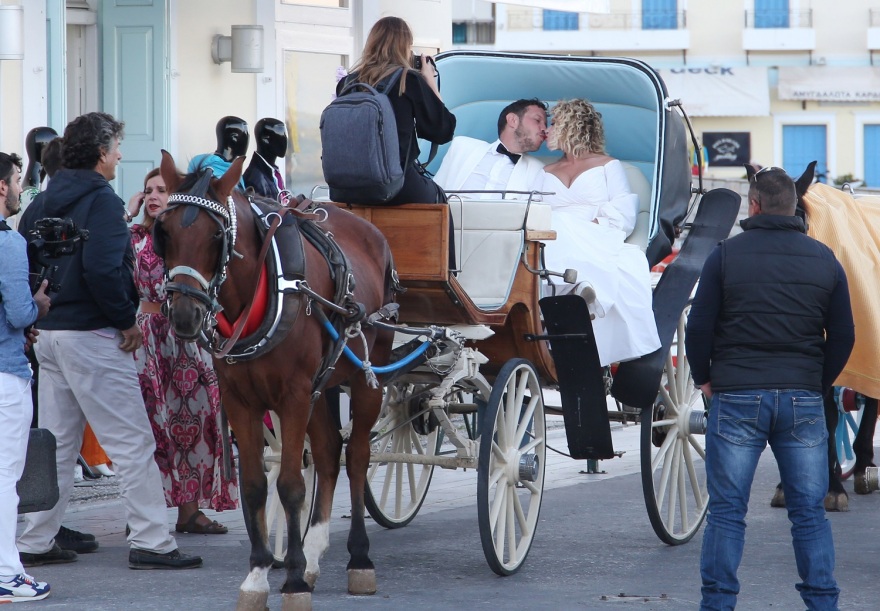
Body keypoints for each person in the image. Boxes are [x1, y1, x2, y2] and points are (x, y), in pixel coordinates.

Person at [15, 112, 202, 570]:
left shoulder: (41, 201)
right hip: (94, 335)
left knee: (57, 442)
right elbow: (103, 269)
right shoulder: (101, 201)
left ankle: (36, 540)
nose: (120, 155)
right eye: (117, 147)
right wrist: (126, 321)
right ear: (101, 153)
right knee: (133, 442)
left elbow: (25, 258)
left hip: (51, 334)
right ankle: (154, 542)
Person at [686, 165, 855, 609]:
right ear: (795, 207)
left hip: (737, 393)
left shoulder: (725, 255)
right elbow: (843, 336)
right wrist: (816, 384)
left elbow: (699, 324)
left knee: (727, 512)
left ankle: (718, 604)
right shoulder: (824, 259)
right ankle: (823, 602)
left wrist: (704, 377)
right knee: (809, 513)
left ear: (754, 205)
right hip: (801, 396)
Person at [124, 169, 238, 534]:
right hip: (148, 340)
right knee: (151, 427)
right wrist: (128, 216)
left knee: (194, 425)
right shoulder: (135, 237)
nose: (155, 195)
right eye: (148, 190)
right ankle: (143, 512)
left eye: (162, 190)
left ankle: (190, 510)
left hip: (187, 338)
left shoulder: (188, 238)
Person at [535, 98, 660, 366]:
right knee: (554, 227)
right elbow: (533, 209)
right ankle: (576, 289)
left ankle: (583, 290)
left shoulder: (607, 165)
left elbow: (624, 209)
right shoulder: (544, 171)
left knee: (563, 226)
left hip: (597, 232)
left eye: (554, 123)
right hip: (552, 235)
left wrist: (588, 224)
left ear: (574, 126)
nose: (547, 129)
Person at [0, 152, 52, 602]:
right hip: (6, 376)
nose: (20, 187)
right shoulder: (9, 243)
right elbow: (19, 312)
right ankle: (6, 573)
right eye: (17, 179)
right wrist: (39, 305)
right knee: (5, 478)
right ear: (2, 187)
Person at [338, 16, 456, 205]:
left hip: (347, 187)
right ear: (404, 47)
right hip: (395, 185)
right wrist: (430, 82)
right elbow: (442, 131)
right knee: (439, 200)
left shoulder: (347, 83)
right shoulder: (408, 80)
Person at [433, 98, 547, 199]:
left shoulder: (538, 170)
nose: (544, 129)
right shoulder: (462, 146)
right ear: (513, 120)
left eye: (545, 124)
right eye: (537, 120)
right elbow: (434, 195)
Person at [187, 116, 248, 189]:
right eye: (245, 138)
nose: (247, 143)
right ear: (233, 138)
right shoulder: (208, 171)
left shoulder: (233, 168)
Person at [242, 117, 288, 202]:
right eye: (281, 136)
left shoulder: (271, 172)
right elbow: (268, 214)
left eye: (286, 136)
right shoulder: (255, 179)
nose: (285, 141)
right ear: (265, 139)